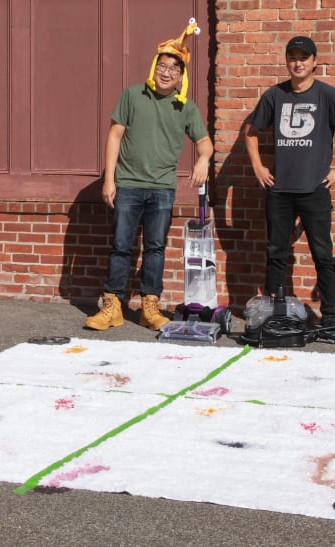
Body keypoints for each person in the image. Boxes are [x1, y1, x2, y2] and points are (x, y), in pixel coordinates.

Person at [85, 20, 213, 331]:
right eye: (163, 65)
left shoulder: (185, 106)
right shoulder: (132, 95)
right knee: (121, 245)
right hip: (127, 184)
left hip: (162, 189)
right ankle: (112, 305)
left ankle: (149, 307)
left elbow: (205, 143)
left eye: (174, 68)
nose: (167, 72)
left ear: (181, 76)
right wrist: (110, 179)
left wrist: (203, 161)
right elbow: (114, 136)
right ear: (154, 66)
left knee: (155, 247)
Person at [243, 36, 335, 327]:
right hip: (280, 190)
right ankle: (275, 309)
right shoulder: (274, 95)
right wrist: (259, 167)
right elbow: (250, 132)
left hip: (315, 190)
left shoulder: (328, 96)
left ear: (314, 62)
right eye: (293, 57)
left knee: (322, 253)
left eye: (304, 58)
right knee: (276, 252)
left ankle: (331, 312)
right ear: (287, 61)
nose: (298, 63)